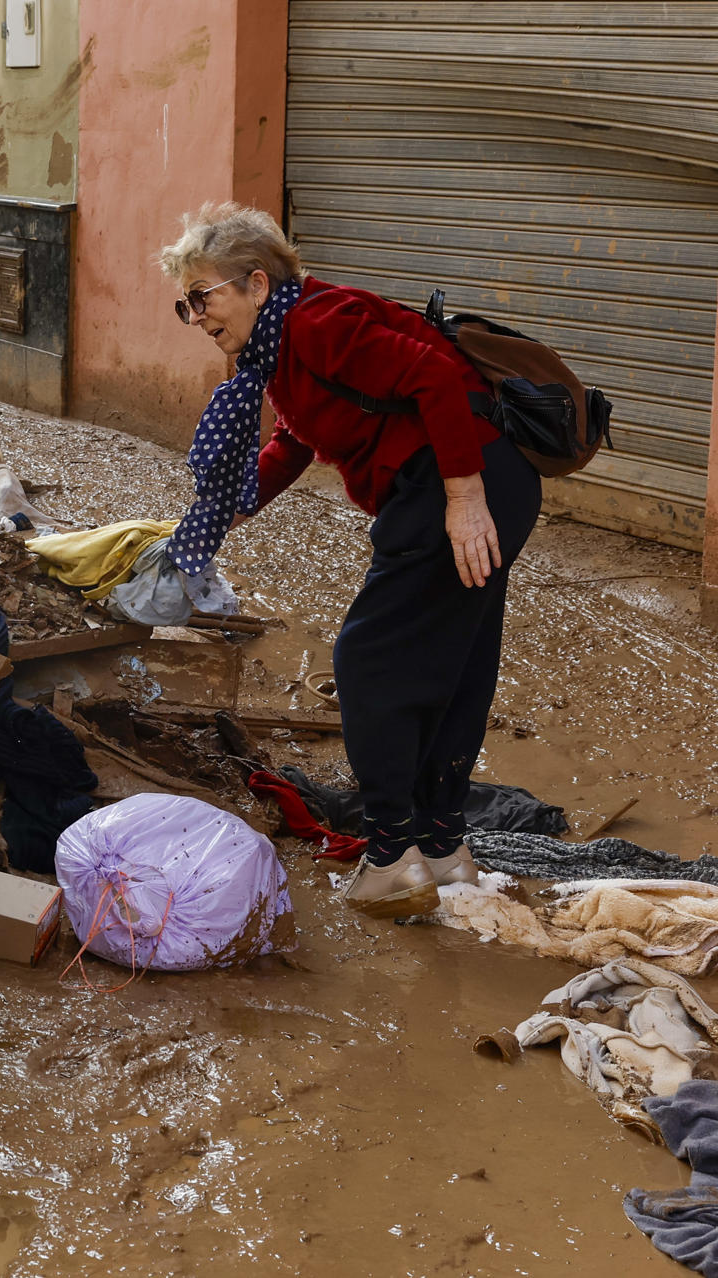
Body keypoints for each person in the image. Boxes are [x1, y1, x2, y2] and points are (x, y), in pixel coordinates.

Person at [157, 202, 543, 920]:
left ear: (255, 284)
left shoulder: (315, 322)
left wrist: (462, 497)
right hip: (480, 479)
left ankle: (392, 855)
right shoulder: (281, 347)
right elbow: (299, 437)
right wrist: (237, 507)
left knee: (368, 660)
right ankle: (444, 847)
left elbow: (430, 376)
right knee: (454, 665)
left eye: (203, 296)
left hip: (459, 478)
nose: (197, 315)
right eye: (187, 304)